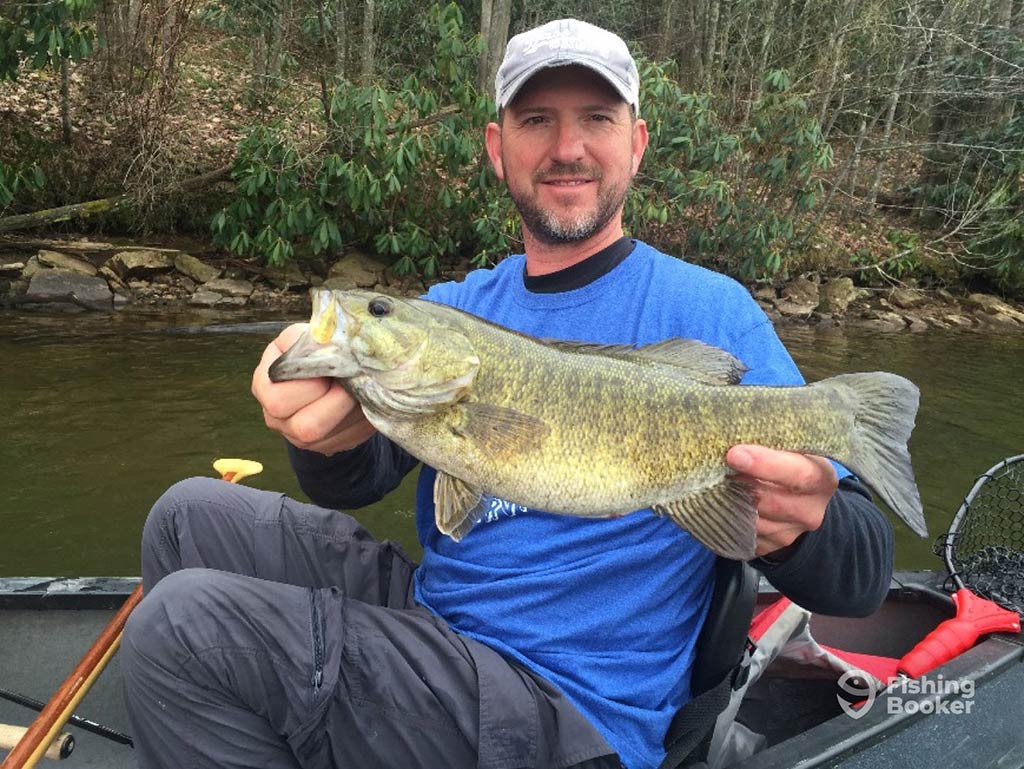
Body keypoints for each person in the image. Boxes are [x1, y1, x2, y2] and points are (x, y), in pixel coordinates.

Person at [120, 18, 894, 769]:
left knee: (181, 629)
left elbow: (861, 572)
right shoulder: (458, 312)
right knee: (185, 515)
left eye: (596, 116)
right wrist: (326, 434)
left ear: (637, 140)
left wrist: (801, 527)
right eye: (536, 119)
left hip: (565, 712)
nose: (568, 147)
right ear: (499, 148)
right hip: (443, 629)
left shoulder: (711, 311)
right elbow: (357, 481)